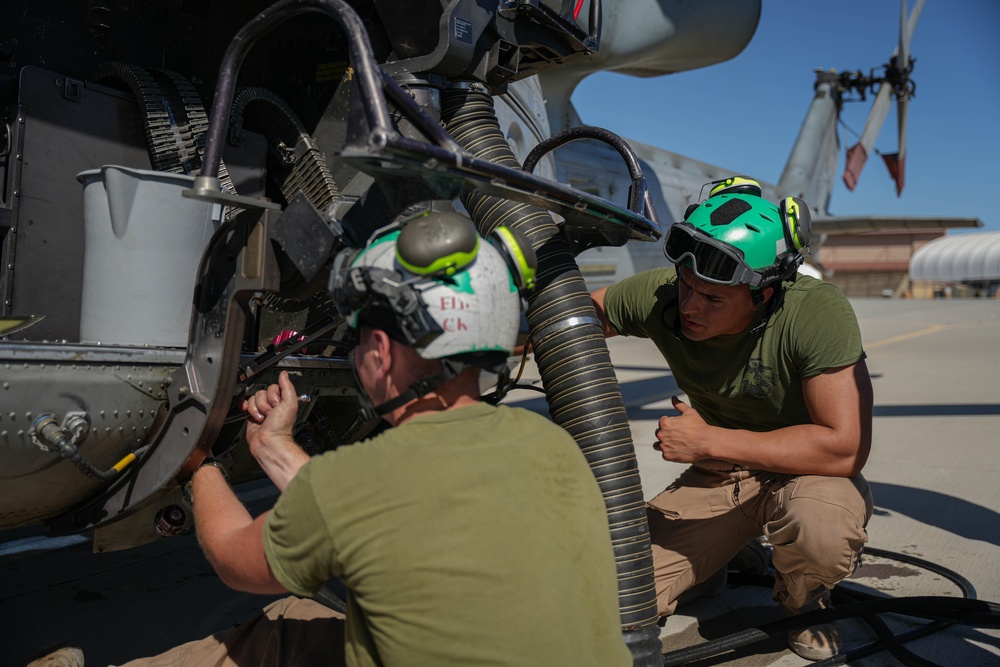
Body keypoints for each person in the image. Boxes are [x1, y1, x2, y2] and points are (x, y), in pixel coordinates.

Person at [29, 211, 630, 667]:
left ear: (385, 351)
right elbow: (394, 514)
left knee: (268, 625)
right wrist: (273, 446)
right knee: (296, 618)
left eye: (361, 333)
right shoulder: (552, 443)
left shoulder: (365, 481)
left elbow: (238, 558)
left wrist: (195, 462)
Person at [590, 177, 874, 661]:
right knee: (614, 596)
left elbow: (844, 447)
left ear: (763, 294)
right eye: (685, 285)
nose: (689, 306)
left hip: (807, 471)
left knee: (820, 530)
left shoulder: (816, 313)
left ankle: (805, 600)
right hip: (723, 477)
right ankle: (721, 557)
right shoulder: (666, 296)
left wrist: (709, 442)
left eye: (714, 298)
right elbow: (575, 317)